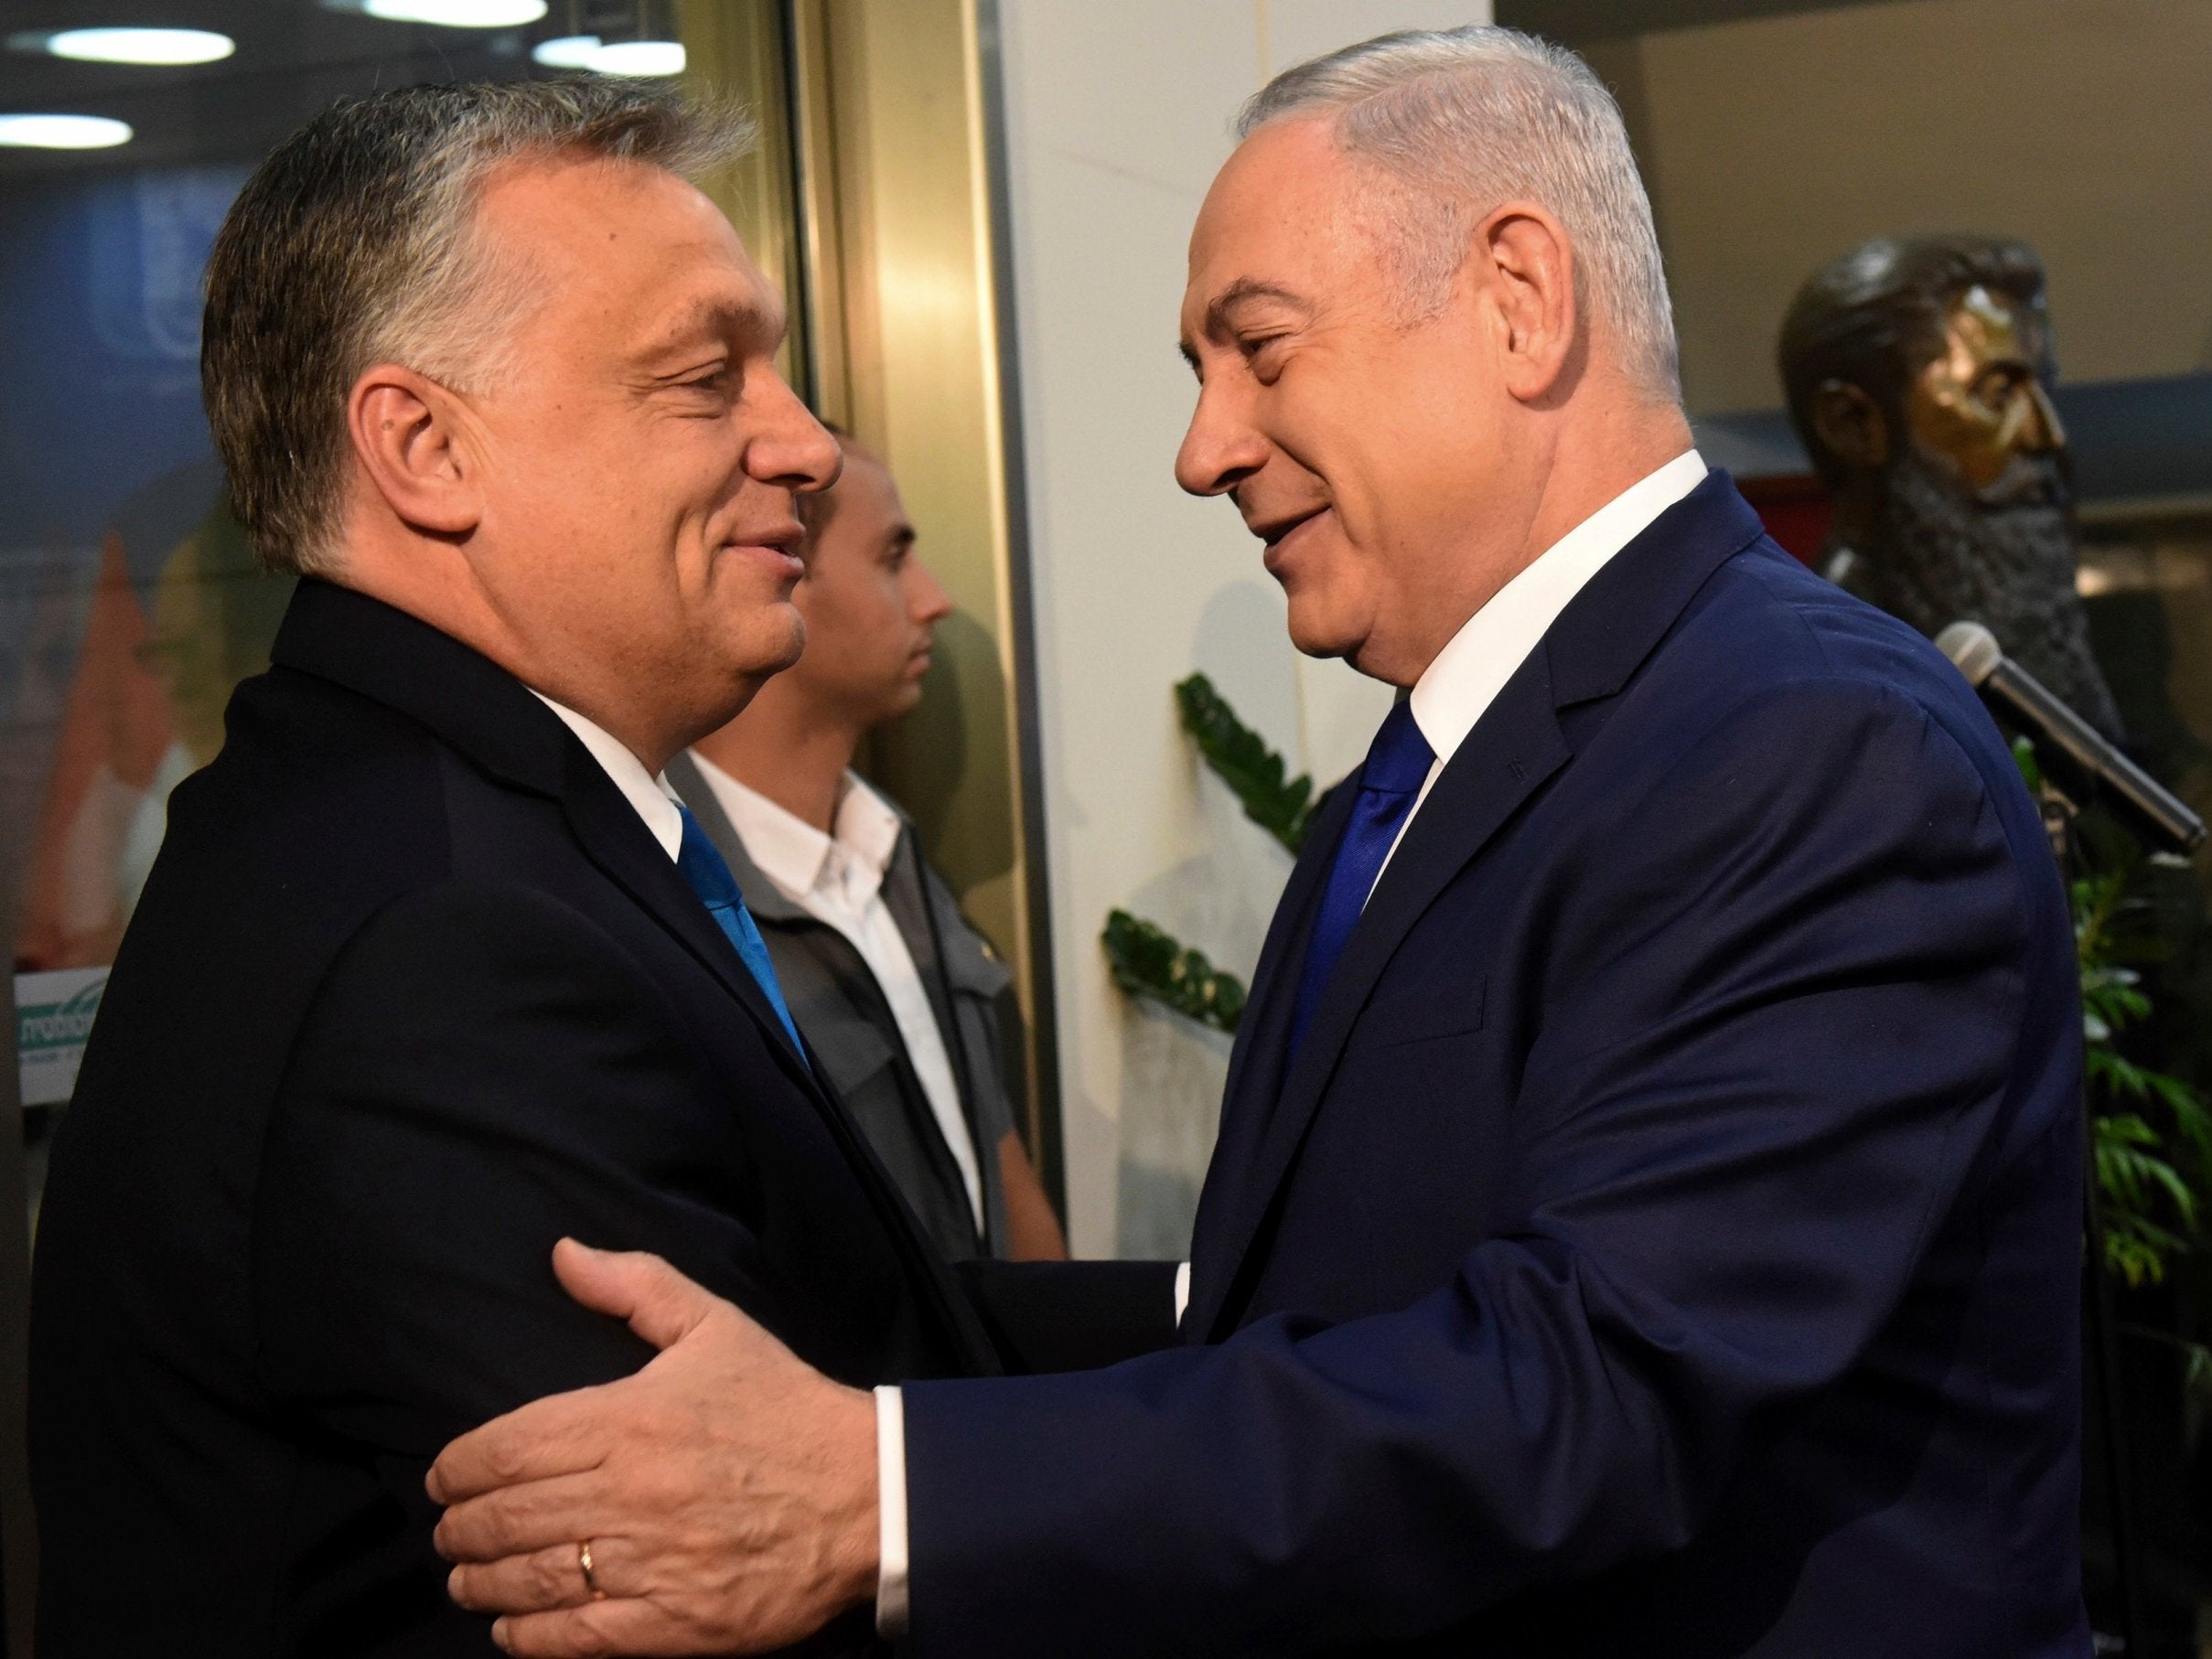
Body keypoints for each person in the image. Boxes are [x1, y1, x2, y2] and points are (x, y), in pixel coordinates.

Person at [430, 27, 2088, 1658]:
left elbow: (1591, 1384)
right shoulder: (1453, 753)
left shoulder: (1802, 740)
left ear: (1518, 298)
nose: (1203, 446)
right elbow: (1352, 1272)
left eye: (1260, 349)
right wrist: (828, 1334)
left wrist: (878, 1492)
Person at [27, 80, 999, 1656]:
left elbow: (856, 1340)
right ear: (422, 444)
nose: (808, 445)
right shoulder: (445, 931)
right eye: (703, 377)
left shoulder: (442, 822)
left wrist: (1248, 1316)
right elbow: (699, 1593)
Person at [667, 433, 1067, 1263]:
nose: (935, 600)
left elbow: (1001, 1170)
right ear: (781, 569)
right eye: (892, 559)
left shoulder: (890, 853)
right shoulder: (678, 897)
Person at [1778, 233, 2123, 738]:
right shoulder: (1826, 671)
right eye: (1999, 392)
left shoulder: (2034, 621)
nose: (2048, 436)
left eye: (2044, 390)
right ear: (1853, 424)